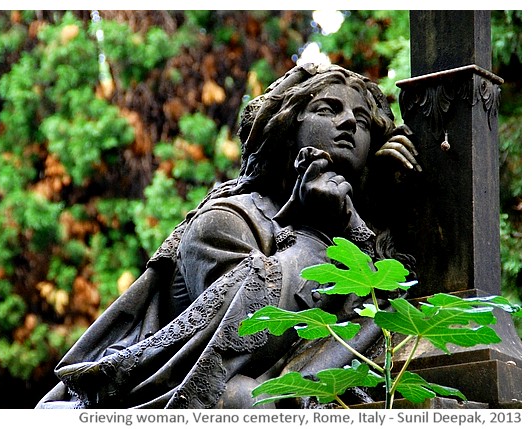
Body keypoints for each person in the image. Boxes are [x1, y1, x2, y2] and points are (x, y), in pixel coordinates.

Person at [35, 63, 420, 409]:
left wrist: (370, 213)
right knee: (242, 399)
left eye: (363, 120)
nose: (350, 122)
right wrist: (312, 234)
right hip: (185, 395)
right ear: (286, 130)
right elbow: (250, 335)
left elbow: (388, 303)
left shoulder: (360, 223)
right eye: (328, 109)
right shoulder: (224, 220)